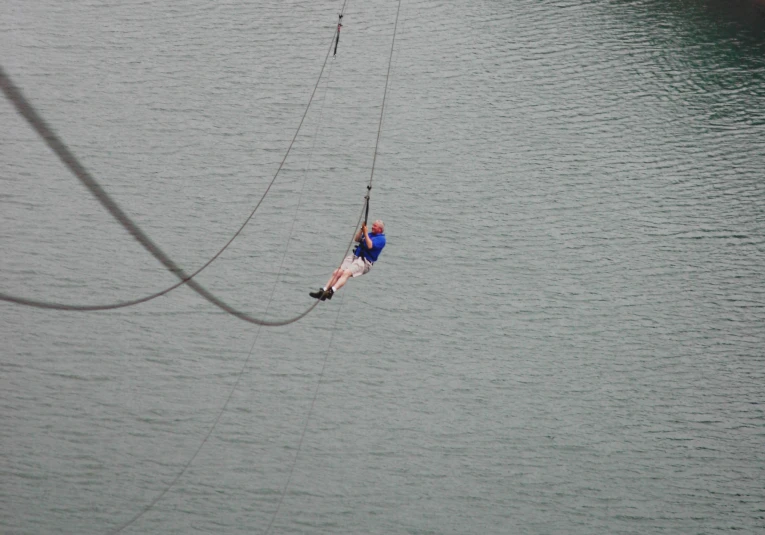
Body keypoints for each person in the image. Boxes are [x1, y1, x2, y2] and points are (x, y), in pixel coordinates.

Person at [309, 219, 386, 301]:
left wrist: (366, 233)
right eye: (373, 225)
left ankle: (331, 291)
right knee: (337, 272)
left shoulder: (381, 239)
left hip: (364, 262)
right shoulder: (370, 234)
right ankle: (324, 291)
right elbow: (357, 239)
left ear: (380, 229)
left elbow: (370, 245)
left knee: (346, 273)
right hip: (355, 256)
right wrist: (361, 229)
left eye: (375, 226)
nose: (372, 227)